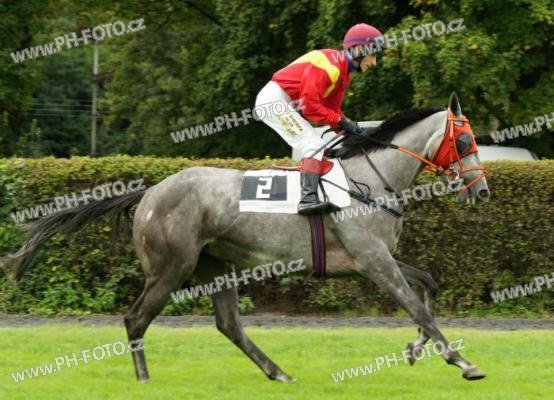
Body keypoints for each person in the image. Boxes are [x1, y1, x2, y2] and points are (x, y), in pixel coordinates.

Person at [255, 23, 383, 215]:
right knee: (313, 144)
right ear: (358, 50)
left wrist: (350, 128)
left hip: (283, 101)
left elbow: (332, 110)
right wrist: (341, 122)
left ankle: (315, 194)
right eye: (372, 55)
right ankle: (307, 200)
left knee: (319, 145)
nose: (374, 62)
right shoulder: (332, 67)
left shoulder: (343, 73)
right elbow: (309, 107)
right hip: (273, 102)